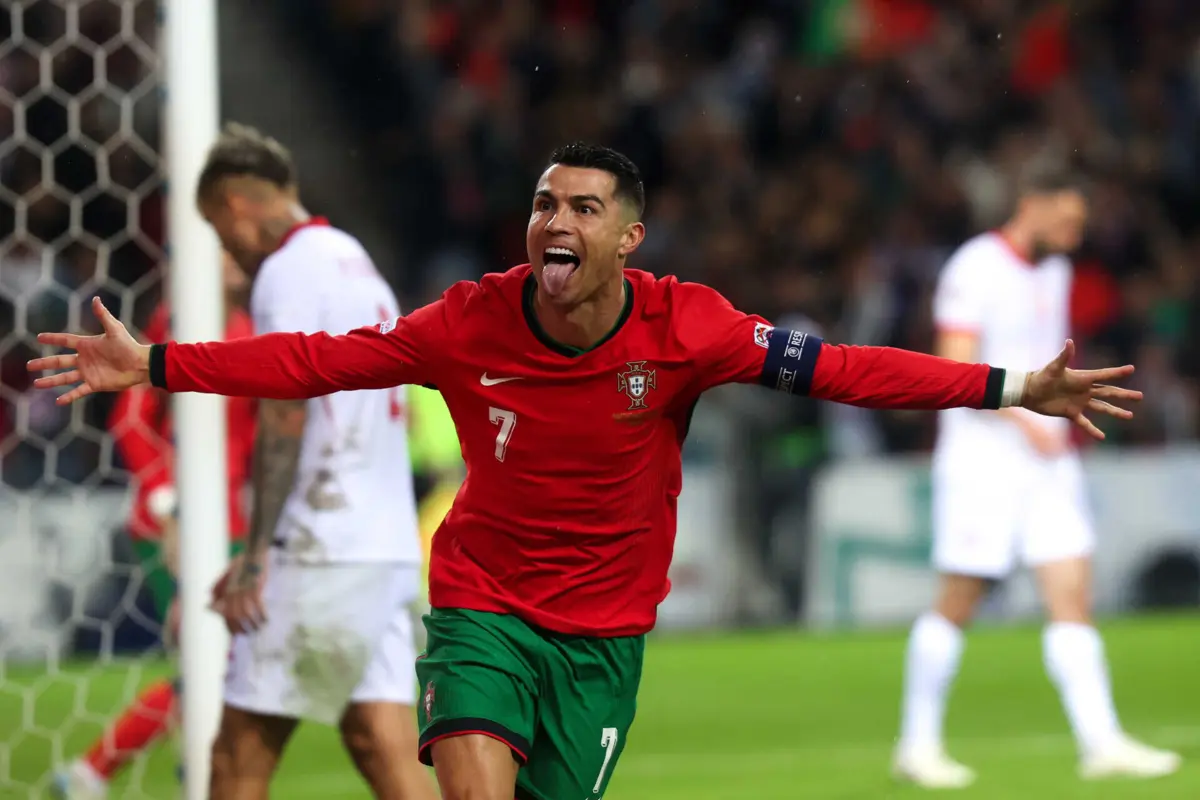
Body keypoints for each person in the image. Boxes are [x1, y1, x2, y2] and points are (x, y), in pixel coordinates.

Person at [29, 143, 1143, 800]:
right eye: (542, 204)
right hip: (483, 609)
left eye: (582, 208)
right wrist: (159, 362)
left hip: (605, 637)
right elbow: (318, 361)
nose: (552, 221)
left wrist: (1010, 387)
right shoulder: (468, 323)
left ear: (630, 239)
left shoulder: (690, 328)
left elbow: (846, 368)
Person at [133, 124, 436, 800]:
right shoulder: (355, 259)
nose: (228, 250)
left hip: (321, 544)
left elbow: (284, 412)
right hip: (382, 547)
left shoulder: (288, 271)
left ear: (237, 205)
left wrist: (253, 556)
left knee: (239, 753)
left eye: (217, 229)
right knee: (381, 743)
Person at [892, 166, 1182, 789]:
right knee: (960, 599)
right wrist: (1025, 417)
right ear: (1032, 204)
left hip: (1047, 461)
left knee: (1073, 594)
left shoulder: (1056, 268)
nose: (1076, 235)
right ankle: (916, 744)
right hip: (982, 457)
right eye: (1070, 220)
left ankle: (1101, 743)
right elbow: (954, 366)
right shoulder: (975, 267)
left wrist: (1054, 423)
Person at [53, 252, 257, 800]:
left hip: (230, 521)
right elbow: (131, 417)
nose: (237, 263)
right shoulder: (180, 320)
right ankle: (93, 773)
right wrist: (170, 509)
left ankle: (115, 773)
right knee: (211, 660)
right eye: (222, 254)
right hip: (177, 521)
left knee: (229, 663)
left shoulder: (249, 325)